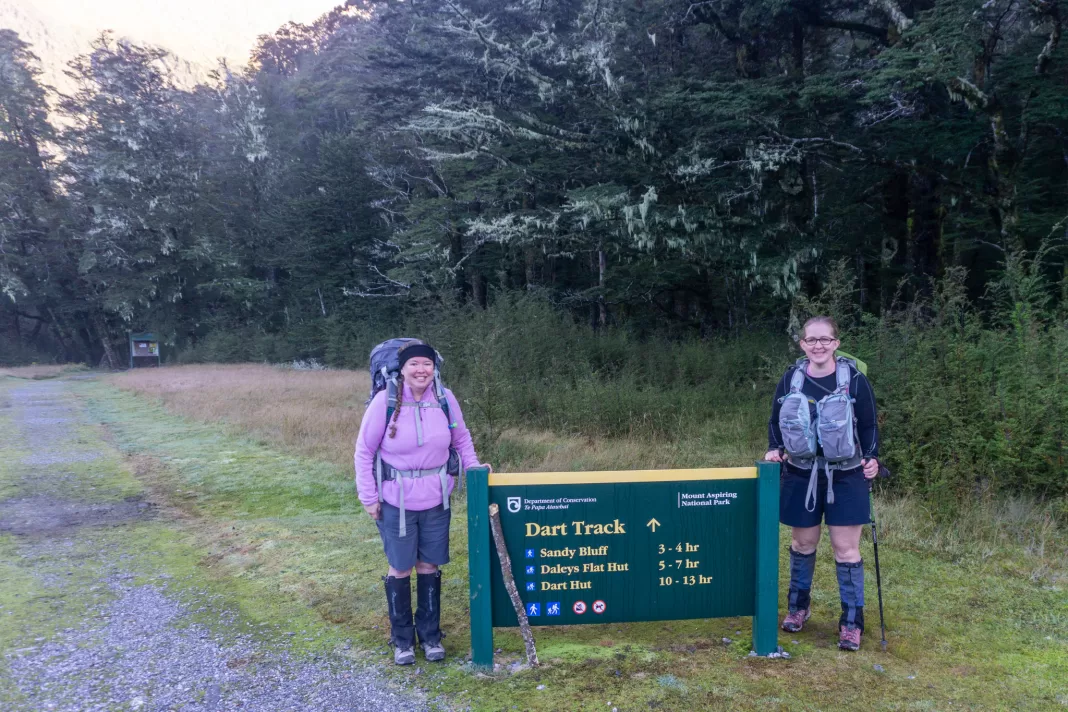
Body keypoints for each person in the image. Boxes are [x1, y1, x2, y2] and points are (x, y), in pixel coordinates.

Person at [355, 341, 484, 665]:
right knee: (400, 567)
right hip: (395, 501)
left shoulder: (444, 398)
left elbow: (462, 439)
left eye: (426, 364)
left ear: (434, 368)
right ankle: (402, 641)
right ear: (403, 368)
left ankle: (430, 636)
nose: (421, 370)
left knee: (429, 565)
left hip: (436, 499)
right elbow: (364, 452)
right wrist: (369, 497)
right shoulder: (385, 401)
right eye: (414, 364)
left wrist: (476, 473)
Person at [764, 316, 880, 651]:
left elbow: (870, 425)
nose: (818, 346)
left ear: (836, 343)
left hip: (846, 474)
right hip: (800, 472)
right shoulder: (792, 378)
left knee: (846, 549)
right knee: (803, 545)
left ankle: (851, 623)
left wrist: (871, 458)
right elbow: (775, 420)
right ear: (802, 344)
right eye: (811, 340)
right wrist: (774, 449)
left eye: (825, 340)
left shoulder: (853, 379)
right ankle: (798, 609)